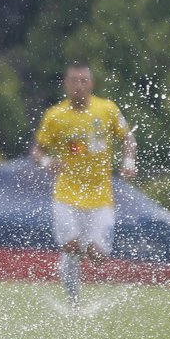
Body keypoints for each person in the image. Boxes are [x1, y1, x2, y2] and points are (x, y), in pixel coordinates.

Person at [30, 62, 137, 308]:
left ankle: (74, 271)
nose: (79, 86)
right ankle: (74, 301)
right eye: (74, 81)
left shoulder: (107, 109)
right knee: (71, 246)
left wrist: (129, 161)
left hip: (100, 196)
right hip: (67, 194)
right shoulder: (56, 116)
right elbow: (37, 150)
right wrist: (47, 161)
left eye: (83, 81)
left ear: (91, 83)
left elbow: (127, 138)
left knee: (97, 256)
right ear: (66, 85)